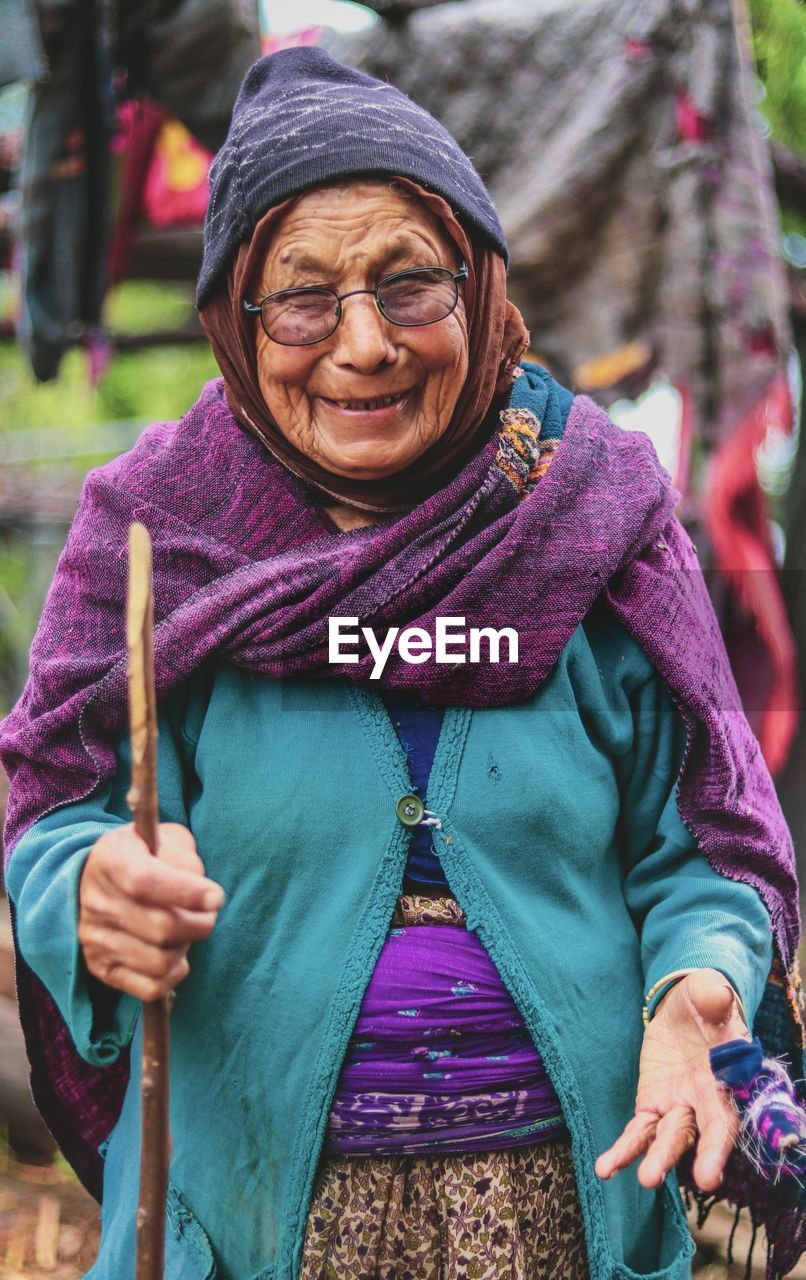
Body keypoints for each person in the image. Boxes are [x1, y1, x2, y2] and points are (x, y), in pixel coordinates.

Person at [0, 48, 801, 1280]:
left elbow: (703, 844)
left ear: (477, 290)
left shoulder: (594, 519)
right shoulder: (159, 537)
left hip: (563, 1223)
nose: (363, 344)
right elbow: (53, 814)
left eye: (409, 283)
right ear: (234, 318)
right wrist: (90, 884)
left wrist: (699, 981)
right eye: (304, 298)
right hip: (255, 1227)